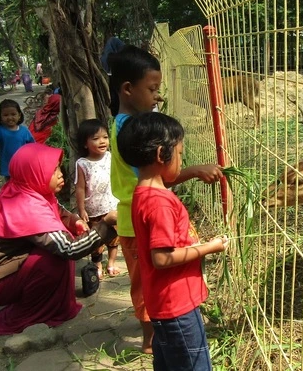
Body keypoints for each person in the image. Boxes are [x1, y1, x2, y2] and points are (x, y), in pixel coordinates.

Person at [108, 44, 223, 354]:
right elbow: (159, 174)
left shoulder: (125, 124)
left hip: (135, 215)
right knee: (145, 283)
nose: (157, 96)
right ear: (128, 89)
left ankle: (156, 333)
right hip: (138, 222)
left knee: (146, 280)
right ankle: (153, 338)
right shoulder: (130, 130)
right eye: (153, 89)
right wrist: (194, 170)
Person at [0, 143, 118, 336]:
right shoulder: (27, 206)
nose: (60, 174)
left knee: (57, 244)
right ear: (32, 173)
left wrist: (74, 220)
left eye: (59, 167)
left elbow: (59, 212)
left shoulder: (23, 191)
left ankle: (43, 300)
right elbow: (70, 249)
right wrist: (105, 225)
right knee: (52, 258)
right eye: (52, 170)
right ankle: (33, 312)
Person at [118, 112, 228, 370]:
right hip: (177, 307)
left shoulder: (142, 192)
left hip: (162, 304)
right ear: (160, 155)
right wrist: (208, 248)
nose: (181, 161)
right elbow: (163, 258)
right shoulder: (160, 203)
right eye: (179, 154)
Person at [74, 118, 120, 279]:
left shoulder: (110, 157)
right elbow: (79, 188)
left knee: (114, 238)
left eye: (105, 137)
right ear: (85, 144)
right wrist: (81, 209)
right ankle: (97, 264)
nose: (102, 141)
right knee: (97, 240)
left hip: (112, 207)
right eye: (95, 138)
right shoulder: (82, 163)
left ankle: (112, 263)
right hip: (93, 210)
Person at [0, 99, 34, 181]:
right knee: (11, 188)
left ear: (19, 115)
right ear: (0, 117)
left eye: (13, 114)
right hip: (8, 168)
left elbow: (33, 146)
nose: (10, 117)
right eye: (5, 115)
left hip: (23, 166)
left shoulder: (24, 131)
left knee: (25, 187)